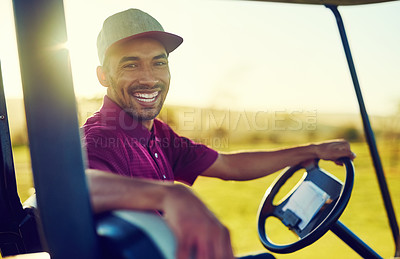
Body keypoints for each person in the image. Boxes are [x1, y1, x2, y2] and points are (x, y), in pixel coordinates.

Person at [82, 8, 355, 259]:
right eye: (131, 65)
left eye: (158, 63)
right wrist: (172, 195)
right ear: (103, 76)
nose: (149, 78)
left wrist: (313, 151)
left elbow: (227, 164)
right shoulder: (98, 138)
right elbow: (74, 185)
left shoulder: (158, 135)